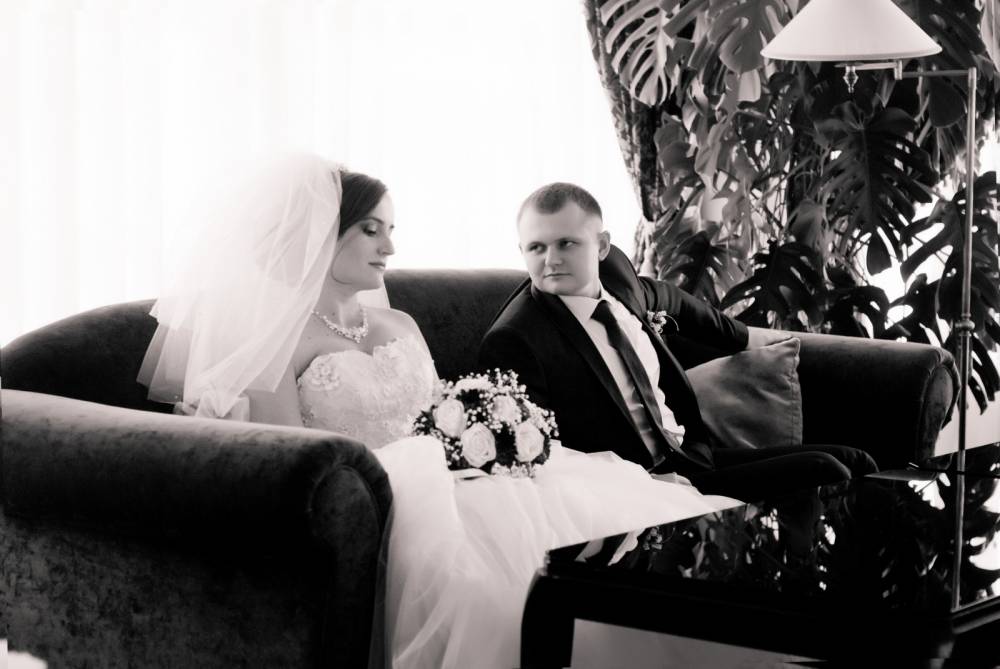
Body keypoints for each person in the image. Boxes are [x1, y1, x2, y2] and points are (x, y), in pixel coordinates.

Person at [138, 154, 741, 669]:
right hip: (392, 500)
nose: (390, 247)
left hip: (466, 477)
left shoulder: (399, 322)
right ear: (321, 234)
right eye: (372, 230)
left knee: (634, 519)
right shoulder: (277, 345)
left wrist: (492, 432)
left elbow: (440, 409)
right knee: (493, 593)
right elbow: (299, 466)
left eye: (391, 230)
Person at [479, 182, 878, 502]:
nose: (551, 260)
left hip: (690, 455)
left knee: (855, 458)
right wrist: (646, 487)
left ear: (601, 246)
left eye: (567, 243)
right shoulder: (515, 340)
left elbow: (671, 299)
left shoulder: (617, 278)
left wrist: (743, 336)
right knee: (826, 469)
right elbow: (542, 459)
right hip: (642, 487)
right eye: (536, 247)